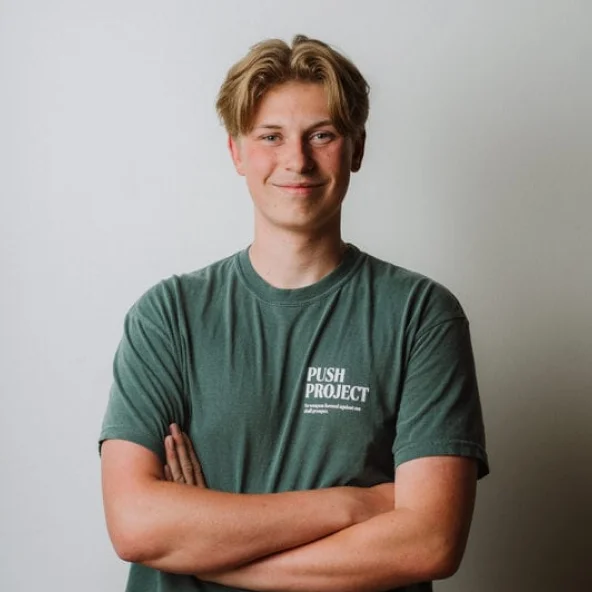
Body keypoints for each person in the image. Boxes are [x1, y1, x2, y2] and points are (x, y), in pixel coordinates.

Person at [99, 34, 489, 592]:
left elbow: (430, 542)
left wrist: (203, 544)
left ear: (356, 147)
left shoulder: (421, 317)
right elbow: (135, 525)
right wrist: (353, 505)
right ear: (237, 151)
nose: (297, 160)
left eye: (322, 135)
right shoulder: (168, 317)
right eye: (271, 137)